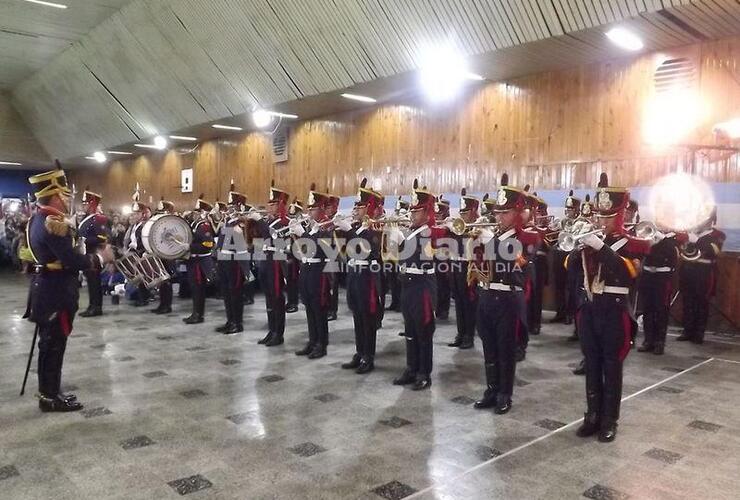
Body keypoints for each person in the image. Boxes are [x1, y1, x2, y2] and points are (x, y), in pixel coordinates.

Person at [569, 173, 650, 442]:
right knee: (592, 363)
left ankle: (609, 419)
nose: (602, 221)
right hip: (591, 308)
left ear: (621, 214)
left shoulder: (634, 243)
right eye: (599, 217)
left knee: (612, 365)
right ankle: (592, 415)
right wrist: (577, 246)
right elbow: (569, 267)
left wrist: (602, 248)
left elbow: (629, 272)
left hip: (615, 310)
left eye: (608, 216)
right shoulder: (591, 240)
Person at [26, 168, 115, 412]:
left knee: (49, 344)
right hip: (56, 291)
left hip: (45, 288)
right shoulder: (54, 223)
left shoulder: (37, 218)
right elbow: (74, 261)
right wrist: (101, 258)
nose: (68, 199)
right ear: (55, 196)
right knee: (54, 345)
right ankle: (50, 397)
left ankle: (49, 391)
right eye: (65, 195)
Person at [472, 174, 539, 414]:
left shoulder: (528, 237)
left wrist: (492, 244)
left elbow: (516, 263)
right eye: (498, 213)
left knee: (506, 349)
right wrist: (476, 245)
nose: (499, 217)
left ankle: (505, 394)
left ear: (518, 213)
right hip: (488, 296)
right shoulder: (494, 235)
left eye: (505, 212)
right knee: (489, 347)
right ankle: (491, 389)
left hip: (509, 299)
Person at [390, 180, 441, 391]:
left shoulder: (432, 232)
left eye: (417, 211)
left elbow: (426, 253)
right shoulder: (413, 231)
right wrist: (397, 241)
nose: (412, 214)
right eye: (412, 211)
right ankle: (411, 368)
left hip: (422, 286)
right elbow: (397, 258)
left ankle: (424, 373)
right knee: (410, 330)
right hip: (407, 285)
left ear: (427, 212)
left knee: (423, 331)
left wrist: (405, 240)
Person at [338, 178, 384, 373]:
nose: (355, 210)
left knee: (367, 318)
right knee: (357, 316)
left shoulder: (374, 229)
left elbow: (366, 250)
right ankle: (360, 351)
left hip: (367, 278)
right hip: (354, 275)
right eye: (355, 207)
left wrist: (349, 232)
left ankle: (369, 356)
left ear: (370, 209)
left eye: (360, 207)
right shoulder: (357, 228)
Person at [290, 184, 334, 359]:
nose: (309, 211)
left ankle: (321, 344)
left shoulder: (327, 226)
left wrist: (304, 235)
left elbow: (322, 249)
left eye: (313, 208)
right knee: (309, 307)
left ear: (322, 208)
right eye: (309, 208)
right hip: (307, 268)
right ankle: (312, 340)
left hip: (319, 271)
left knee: (319, 309)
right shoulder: (311, 226)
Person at [248, 181, 290, 347]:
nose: (269, 206)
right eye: (269, 203)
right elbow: (259, 239)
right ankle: (271, 330)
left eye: (273, 204)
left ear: (280, 205)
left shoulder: (284, 222)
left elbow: (275, 239)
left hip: (276, 264)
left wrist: (261, 222)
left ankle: (278, 334)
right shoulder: (268, 221)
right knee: (268, 299)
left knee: (277, 299)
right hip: (265, 260)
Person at [677, 209, 725, 344]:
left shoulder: (717, 235)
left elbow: (713, 251)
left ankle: (699, 333)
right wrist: (687, 241)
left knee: (701, 303)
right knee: (687, 302)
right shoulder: (691, 233)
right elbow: (683, 250)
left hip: (704, 273)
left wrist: (697, 240)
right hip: (688, 271)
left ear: (711, 219)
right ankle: (687, 330)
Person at [638, 225, 686, 354]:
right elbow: (641, 254)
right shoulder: (647, 239)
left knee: (661, 310)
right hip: (648, 276)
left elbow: (673, 258)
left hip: (662, 278)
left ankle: (659, 342)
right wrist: (650, 243)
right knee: (647, 309)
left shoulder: (671, 241)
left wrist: (662, 241)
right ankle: (648, 340)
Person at [447, 188, 480, 350]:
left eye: (466, 212)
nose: (463, 215)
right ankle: (460, 333)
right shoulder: (458, 226)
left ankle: (469, 336)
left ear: (474, 211)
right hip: (455, 266)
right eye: (461, 212)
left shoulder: (479, 228)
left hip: (469, 268)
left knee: (469, 303)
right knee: (459, 303)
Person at [215, 183, 249, 334]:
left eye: (233, 206)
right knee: (227, 293)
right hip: (224, 260)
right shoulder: (228, 221)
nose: (229, 209)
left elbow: (244, 244)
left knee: (235, 293)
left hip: (235, 262)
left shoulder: (242, 222)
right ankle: (230, 320)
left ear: (239, 206)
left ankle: (238, 323)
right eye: (229, 206)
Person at [183, 194, 215, 324]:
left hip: (200, 262)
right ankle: (195, 313)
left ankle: (198, 315)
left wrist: (190, 247)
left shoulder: (204, 225)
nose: (194, 214)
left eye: (197, 211)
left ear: (202, 212)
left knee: (198, 289)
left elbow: (207, 245)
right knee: (194, 289)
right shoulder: (195, 224)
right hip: (194, 261)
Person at [78, 187, 109, 317]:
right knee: (90, 283)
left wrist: (85, 239)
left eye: (86, 204)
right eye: (83, 203)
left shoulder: (99, 219)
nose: (84, 206)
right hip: (87, 254)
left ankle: (97, 307)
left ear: (92, 204)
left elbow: (101, 238)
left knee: (95, 283)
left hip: (94, 255)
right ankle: (92, 305)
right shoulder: (87, 218)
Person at [551, 190, 580, 325]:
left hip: (573, 257)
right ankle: (560, 312)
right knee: (559, 286)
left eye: (571, 209)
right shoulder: (563, 222)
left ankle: (570, 314)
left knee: (571, 287)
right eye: (567, 209)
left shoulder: (580, 223)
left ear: (577, 210)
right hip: (561, 255)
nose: (568, 211)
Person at [150, 198, 176, 314]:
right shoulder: (161, 224)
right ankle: (162, 304)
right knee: (161, 280)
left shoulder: (174, 224)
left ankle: (167, 305)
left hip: (169, 254)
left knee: (166, 281)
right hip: (160, 253)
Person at [434, 196, 452, 320]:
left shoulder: (450, 222)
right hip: (434, 257)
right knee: (437, 285)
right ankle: (437, 308)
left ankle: (444, 309)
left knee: (444, 285)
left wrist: (444, 225)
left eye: (439, 214)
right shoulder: (436, 224)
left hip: (445, 259)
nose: (437, 217)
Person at [285, 199, 303, 314]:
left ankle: (294, 303)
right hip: (286, 254)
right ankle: (289, 301)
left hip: (295, 257)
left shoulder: (300, 226)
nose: (291, 217)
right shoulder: (287, 224)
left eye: (293, 215)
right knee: (288, 281)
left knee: (293, 280)